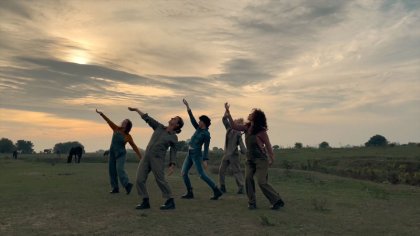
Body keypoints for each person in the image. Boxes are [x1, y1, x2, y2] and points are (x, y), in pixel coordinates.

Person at [224, 103, 284, 210]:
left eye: (252, 114)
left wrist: (272, 158)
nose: (249, 114)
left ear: (256, 117)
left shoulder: (262, 132)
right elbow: (233, 126)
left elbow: (269, 146)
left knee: (261, 182)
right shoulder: (246, 127)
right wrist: (228, 112)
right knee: (248, 179)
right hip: (250, 159)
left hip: (261, 160)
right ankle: (252, 203)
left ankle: (276, 200)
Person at [128, 107, 184, 210]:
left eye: (175, 118)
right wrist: (136, 110)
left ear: (177, 125)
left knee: (160, 180)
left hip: (157, 159)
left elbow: (173, 152)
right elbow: (147, 118)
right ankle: (145, 201)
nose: (172, 118)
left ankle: (170, 201)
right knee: (139, 179)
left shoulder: (173, 137)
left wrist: (172, 165)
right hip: (146, 157)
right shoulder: (159, 127)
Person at [181, 98, 223, 200]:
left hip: (196, 155)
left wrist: (205, 160)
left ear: (203, 122)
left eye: (200, 120)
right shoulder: (198, 128)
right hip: (189, 153)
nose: (198, 122)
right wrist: (188, 107)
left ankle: (216, 190)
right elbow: (192, 120)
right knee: (183, 173)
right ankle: (190, 192)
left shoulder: (206, 134)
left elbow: (206, 147)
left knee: (201, 175)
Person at [96, 109, 142, 195]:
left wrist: (140, 157)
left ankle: (127, 185)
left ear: (127, 125)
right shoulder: (116, 128)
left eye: (125, 122)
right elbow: (108, 121)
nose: (123, 122)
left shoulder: (128, 136)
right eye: (123, 121)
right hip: (112, 154)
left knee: (120, 169)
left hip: (121, 155)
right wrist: (102, 114)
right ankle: (115, 188)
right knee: (112, 171)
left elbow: (134, 147)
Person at [219, 111, 247, 194]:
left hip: (234, 155)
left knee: (237, 171)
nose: (234, 122)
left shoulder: (238, 134)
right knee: (221, 170)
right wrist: (226, 112)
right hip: (226, 154)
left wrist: (245, 152)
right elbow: (224, 120)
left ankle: (241, 187)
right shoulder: (229, 129)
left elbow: (241, 145)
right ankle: (222, 187)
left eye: (236, 122)